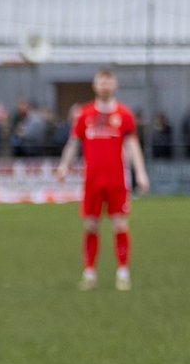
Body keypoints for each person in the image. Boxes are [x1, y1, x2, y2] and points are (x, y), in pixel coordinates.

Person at [56, 69, 150, 291]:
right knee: (91, 226)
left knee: (120, 225)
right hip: (93, 182)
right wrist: (64, 165)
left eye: (109, 82)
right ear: (95, 85)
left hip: (117, 181)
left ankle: (123, 272)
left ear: (115, 85)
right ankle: (90, 273)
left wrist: (141, 172)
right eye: (102, 82)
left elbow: (133, 145)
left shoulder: (124, 115)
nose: (105, 85)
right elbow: (73, 143)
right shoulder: (85, 114)